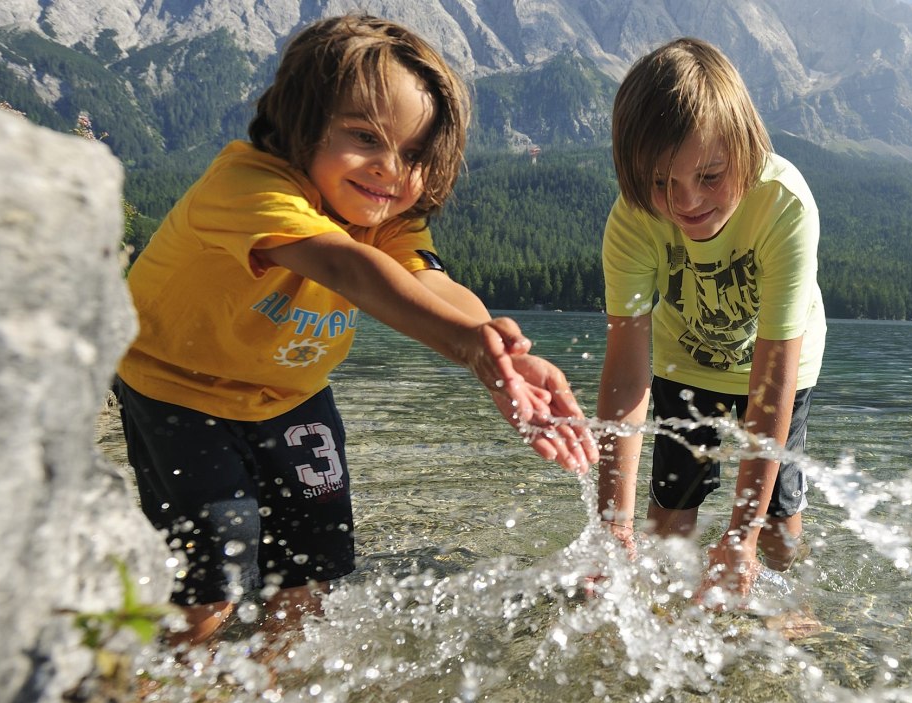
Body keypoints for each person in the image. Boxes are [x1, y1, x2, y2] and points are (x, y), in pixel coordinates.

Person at [114, 14, 595, 654]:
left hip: (290, 394)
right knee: (216, 572)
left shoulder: (385, 218)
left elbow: (427, 283)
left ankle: (278, 691)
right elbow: (348, 268)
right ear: (301, 121)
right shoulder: (248, 185)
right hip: (178, 392)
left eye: (415, 154)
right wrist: (468, 349)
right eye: (365, 136)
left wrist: (495, 346)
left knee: (316, 563)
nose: (390, 170)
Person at [595, 37, 827, 602]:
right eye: (661, 182)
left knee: (775, 525)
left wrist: (740, 535)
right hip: (685, 361)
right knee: (665, 523)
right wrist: (611, 525)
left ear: (745, 151)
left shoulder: (783, 204)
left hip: (781, 367)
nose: (686, 203)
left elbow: (773, 377)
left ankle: (788, 601)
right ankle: (670, 616)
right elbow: (627, 374)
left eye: (709, 176)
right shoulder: (632, 221)